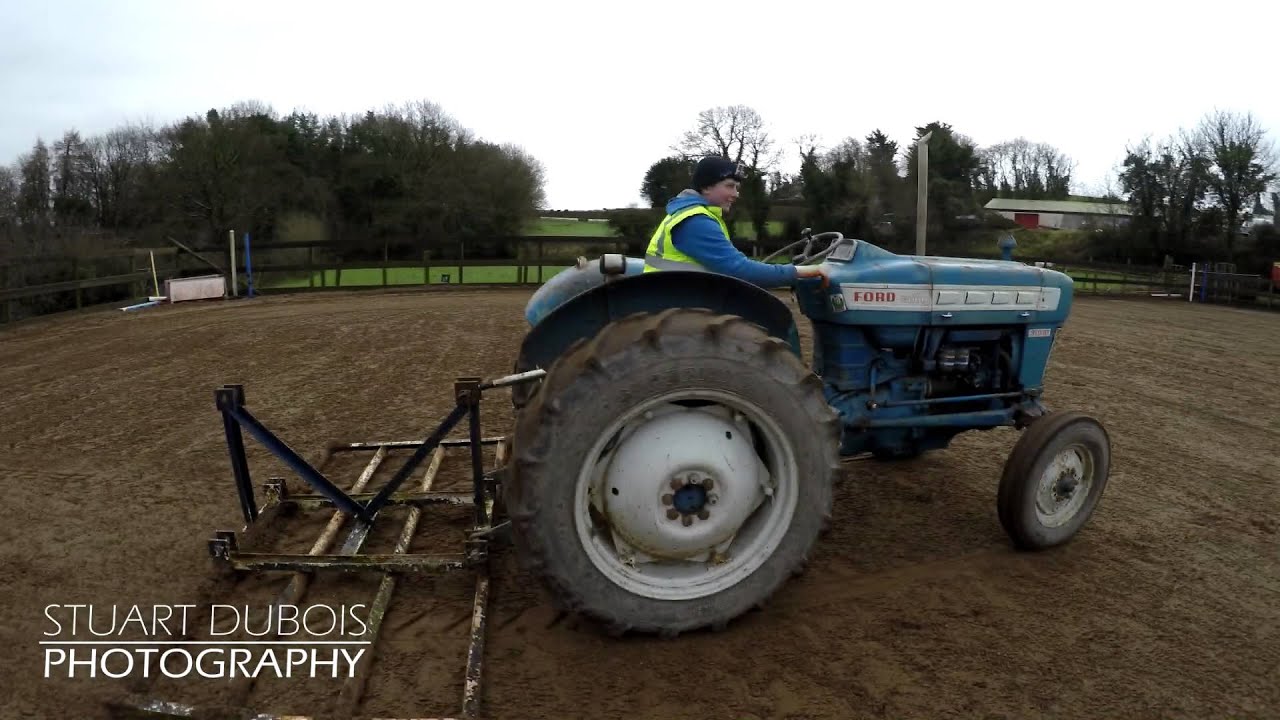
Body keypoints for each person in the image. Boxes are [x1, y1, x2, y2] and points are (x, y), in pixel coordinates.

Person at [643, 155, 827, 288]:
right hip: (678, 299)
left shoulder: (692, 214)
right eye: (730, 186)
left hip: (678, 291)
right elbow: (739, 269)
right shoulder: (695, 221)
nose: (736, 194)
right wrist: (802, 271)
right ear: (706, 187)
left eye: (737, 188)